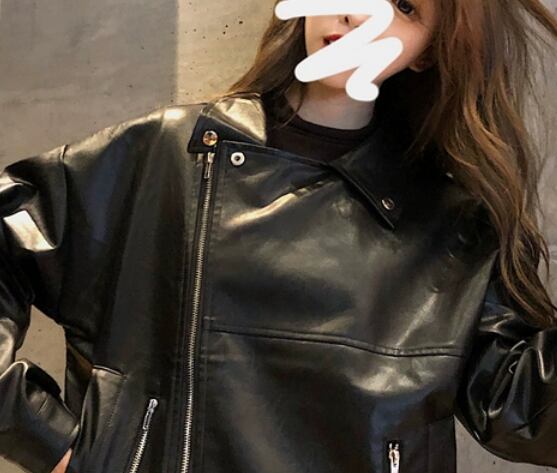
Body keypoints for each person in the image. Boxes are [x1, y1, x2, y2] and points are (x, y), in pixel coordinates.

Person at [1, 0, 556, 472]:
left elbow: (526, 408)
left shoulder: (451, 228)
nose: (356, 12)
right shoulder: (168, 158)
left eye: (405, 5)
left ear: (429, 51)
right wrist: (46, 439)